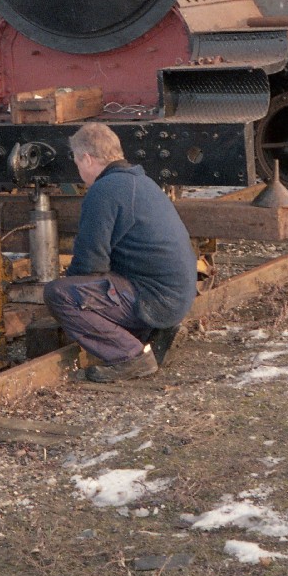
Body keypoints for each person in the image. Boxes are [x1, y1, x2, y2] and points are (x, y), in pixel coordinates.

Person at [43, 122, 198, 382]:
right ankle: (147, 333)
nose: (79, 170)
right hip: (176, 296)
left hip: (156, 301)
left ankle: (130, 357)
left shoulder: (104, 190)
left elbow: (89, 264)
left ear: (87, 158)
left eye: (78, 163)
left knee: (59, 294)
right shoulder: (141, 181)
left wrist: (69, 286)